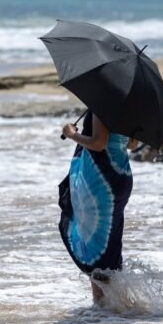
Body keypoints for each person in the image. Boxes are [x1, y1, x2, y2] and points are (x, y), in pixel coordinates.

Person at [58, 111, 138, 302]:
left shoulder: (103, 104)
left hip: (101, 179)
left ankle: (103, 310)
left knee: (94, 246)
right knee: (109, 243)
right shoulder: (130, 105)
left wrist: (72, 134)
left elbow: (98, 144)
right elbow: (132, 144)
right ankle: (116, 306)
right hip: (120, 176)